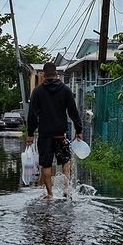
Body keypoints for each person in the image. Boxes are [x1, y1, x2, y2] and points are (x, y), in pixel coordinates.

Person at [25, 62, 83, 199]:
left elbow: (32, 115)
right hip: (60, 134)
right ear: (56, 74)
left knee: (46, 164)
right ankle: (66, 189)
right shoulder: (65, 90)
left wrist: (30, 134)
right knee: (65, 160)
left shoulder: (37, 91)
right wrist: (79, 129)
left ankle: (50, 194)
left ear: (44, 75)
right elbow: (73, 112)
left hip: (45, 134)